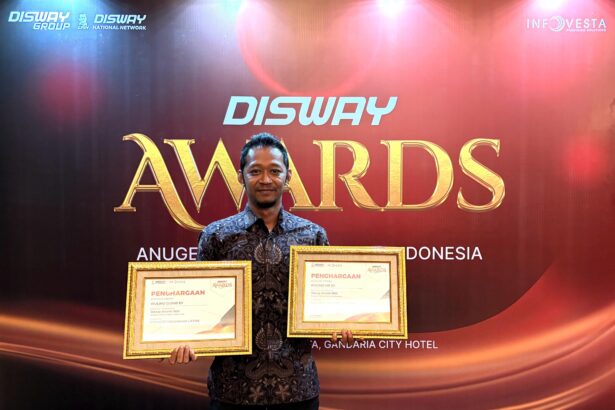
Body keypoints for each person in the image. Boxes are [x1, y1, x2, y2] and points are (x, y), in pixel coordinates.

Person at [168, 133, 354, 409]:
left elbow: (330, 304)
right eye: (255, 171)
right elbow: (197, 307)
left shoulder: (312, 235)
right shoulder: (216, 236)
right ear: (241, 176)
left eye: (275, 171)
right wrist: (181, 339)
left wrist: (343, 322)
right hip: (233, 392)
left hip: (297, 391)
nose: (265, 179)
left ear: (288, 177)